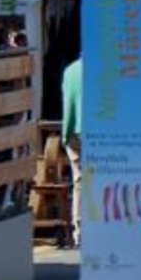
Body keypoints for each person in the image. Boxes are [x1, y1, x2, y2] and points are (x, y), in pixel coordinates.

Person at [61, 58, 83, 248]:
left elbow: (68, 104)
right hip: (101, 133)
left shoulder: (70, 71)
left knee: (80, 182)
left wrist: (65, 135)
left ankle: (80, 231)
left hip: (75, 131)